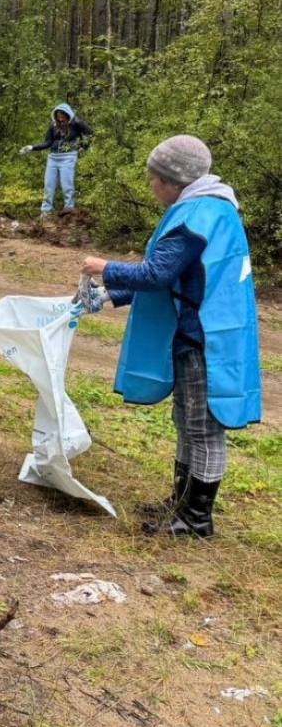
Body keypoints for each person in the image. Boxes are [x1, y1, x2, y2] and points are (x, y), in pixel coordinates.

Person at [78, 135, 260, 538]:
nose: (151, 186)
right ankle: (180, 502)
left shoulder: (196, 217)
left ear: (172, 181)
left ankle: (196, 519)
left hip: (204, 338)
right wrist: (110, 296)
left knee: (202, 427)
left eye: (153, 178)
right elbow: (174, 279)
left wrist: (105, 267)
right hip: (198, 329)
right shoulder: (208, 207)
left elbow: (156, 274)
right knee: (186, 421)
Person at [21, 103, 93, 218]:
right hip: (53, 158)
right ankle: (45, 213)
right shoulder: (54, 126)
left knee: (67, 185)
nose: (60, 118)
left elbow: (90, 133)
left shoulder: (76, 123)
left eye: (62, 116)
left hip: (68, 157)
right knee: (48, 185)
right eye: (58, 116)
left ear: (67, 115)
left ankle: (69, 211)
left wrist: (83, 147)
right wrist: (32, 147)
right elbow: (48, 143)